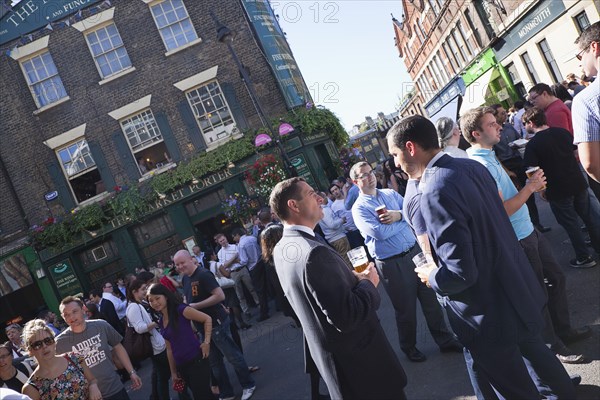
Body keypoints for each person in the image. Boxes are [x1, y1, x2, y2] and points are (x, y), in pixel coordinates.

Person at [387, 114, 575, 399]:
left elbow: (461, 271)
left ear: (411, 148)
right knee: (540, 362)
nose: (395, 163)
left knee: (514, 389)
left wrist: (432, 276)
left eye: (395, 154)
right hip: (513, 287)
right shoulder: (470, 167)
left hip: (486, 311)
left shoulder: (433, 191)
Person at [464, 106, 590, 363]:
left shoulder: (489, 154)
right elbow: (500, 212)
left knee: (555, 278)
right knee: (537, 294)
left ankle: (563, 331)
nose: (499, 126)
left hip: (527, 229)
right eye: (491, 124)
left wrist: (526, 186)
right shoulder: (479, 165)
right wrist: (531, 188)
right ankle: (553, 346)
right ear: (475, 133)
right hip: (517, 238)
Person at [269, 177, 407, 399]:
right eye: (311, 193)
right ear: (293, 205)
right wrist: (367, 283)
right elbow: (347, 316)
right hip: (364, 370)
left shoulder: (282, 248)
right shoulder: (313, 253)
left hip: (340, 368)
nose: (320, 198)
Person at [350, 161, 462, 362]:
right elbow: (379, 233)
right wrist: (403, 221)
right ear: (355, 181)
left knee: (431, 299)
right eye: (363, 175)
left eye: (370, 172)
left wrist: (399, 216)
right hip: (391, 263)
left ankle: (445, 340)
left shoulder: (390, 194)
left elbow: (412, 213)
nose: (370, 177)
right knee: (405, 309)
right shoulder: (359, 208)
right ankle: (409, 347)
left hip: (415, 253)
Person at [523, 107, 600, 268]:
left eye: (525, 124)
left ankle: (584, 257)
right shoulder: (562, 132)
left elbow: (533, 170)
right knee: (589, 218)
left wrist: (541, 189)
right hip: (577, 182)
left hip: (557, 189)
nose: (524, 127)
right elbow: (576, 153)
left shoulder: (533, 144)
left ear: (531, 123)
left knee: (571, 224)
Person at [174, 250, 256, 400]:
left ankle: (248, 384)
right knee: (215, 363)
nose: (179, 266)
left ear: (191, 260)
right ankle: (226, 393)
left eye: (182, 263)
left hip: (217, 323)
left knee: (233, 356)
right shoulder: (185, 279)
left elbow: (220, 295)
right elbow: (188, 298)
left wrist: (195, 306)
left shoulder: (203, 274)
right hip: (202, 328)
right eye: (177, 264)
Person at [56, 296, 142, 400]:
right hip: (89, 396)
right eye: (67, 315)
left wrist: (131, 372)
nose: (72, 317)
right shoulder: (59, 343)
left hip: (114, 387)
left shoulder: (101, 325)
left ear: (83, 309)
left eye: (75, 311)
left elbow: (118, 346)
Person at [147, 283, 213, 399]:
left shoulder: (181, 310)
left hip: (196, 361)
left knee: (202, 396)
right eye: (151, 301)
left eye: (157, 298)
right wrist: (173, 372)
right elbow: (169, 349)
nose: (155, 303)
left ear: (165, 296)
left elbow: (207, 319)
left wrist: (206, 342)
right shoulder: (162, 321)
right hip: (182, 366)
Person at [21, 319, 101, 400]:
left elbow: (92, 380)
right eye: (37, 344)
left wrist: (93, 386)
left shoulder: (75, 358)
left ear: (54, 342)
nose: (44, 346)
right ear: (30, 351)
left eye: (48, 340)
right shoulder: (31, 388)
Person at [126, 279, 170, 400]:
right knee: (168, 374)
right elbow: (140, 328)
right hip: (155, 346)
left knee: (161, 376)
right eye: (143, 289)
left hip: (157, 344)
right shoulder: (133, 307)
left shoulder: (141, 303)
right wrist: (157, 322)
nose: (146, 291)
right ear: (135, 291)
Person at [572, 22, 600, 183]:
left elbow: (591, 164)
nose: (580, 62)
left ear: (595, 47)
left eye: (580, 55)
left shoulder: (586, 100)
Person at [216, 233, 259, 318]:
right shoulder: (220, 253)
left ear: (226, 238)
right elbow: (224, 265)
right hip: (233, 273)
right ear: (219, 243)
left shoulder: (235, 246)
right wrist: (234, 258)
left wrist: (230, 261)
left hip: (242, 269)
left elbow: (241, 259)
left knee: (252, 288)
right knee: (239, 294)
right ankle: (246, 311)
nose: (223, 242)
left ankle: (259, 303)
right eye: (220, 241)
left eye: (223, 239)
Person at [231, 227, 269, 321]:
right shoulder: (252, 238)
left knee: (259, 290)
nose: (233, 239)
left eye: (233, 237)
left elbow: (244, 260)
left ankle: (264, 312)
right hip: (261, 263)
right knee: (267, 285)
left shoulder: (241, 245)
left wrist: (236, 260)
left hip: (253, 267)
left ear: (237, 235)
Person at [316, 192, 352, 267]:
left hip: (335, 238)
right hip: (338, 238)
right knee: (347, 260)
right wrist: (342, 220)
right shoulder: (324, 210)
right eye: (325, 196)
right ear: (321, 199)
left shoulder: (320, 210)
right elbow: (331, 225)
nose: (327, 198)